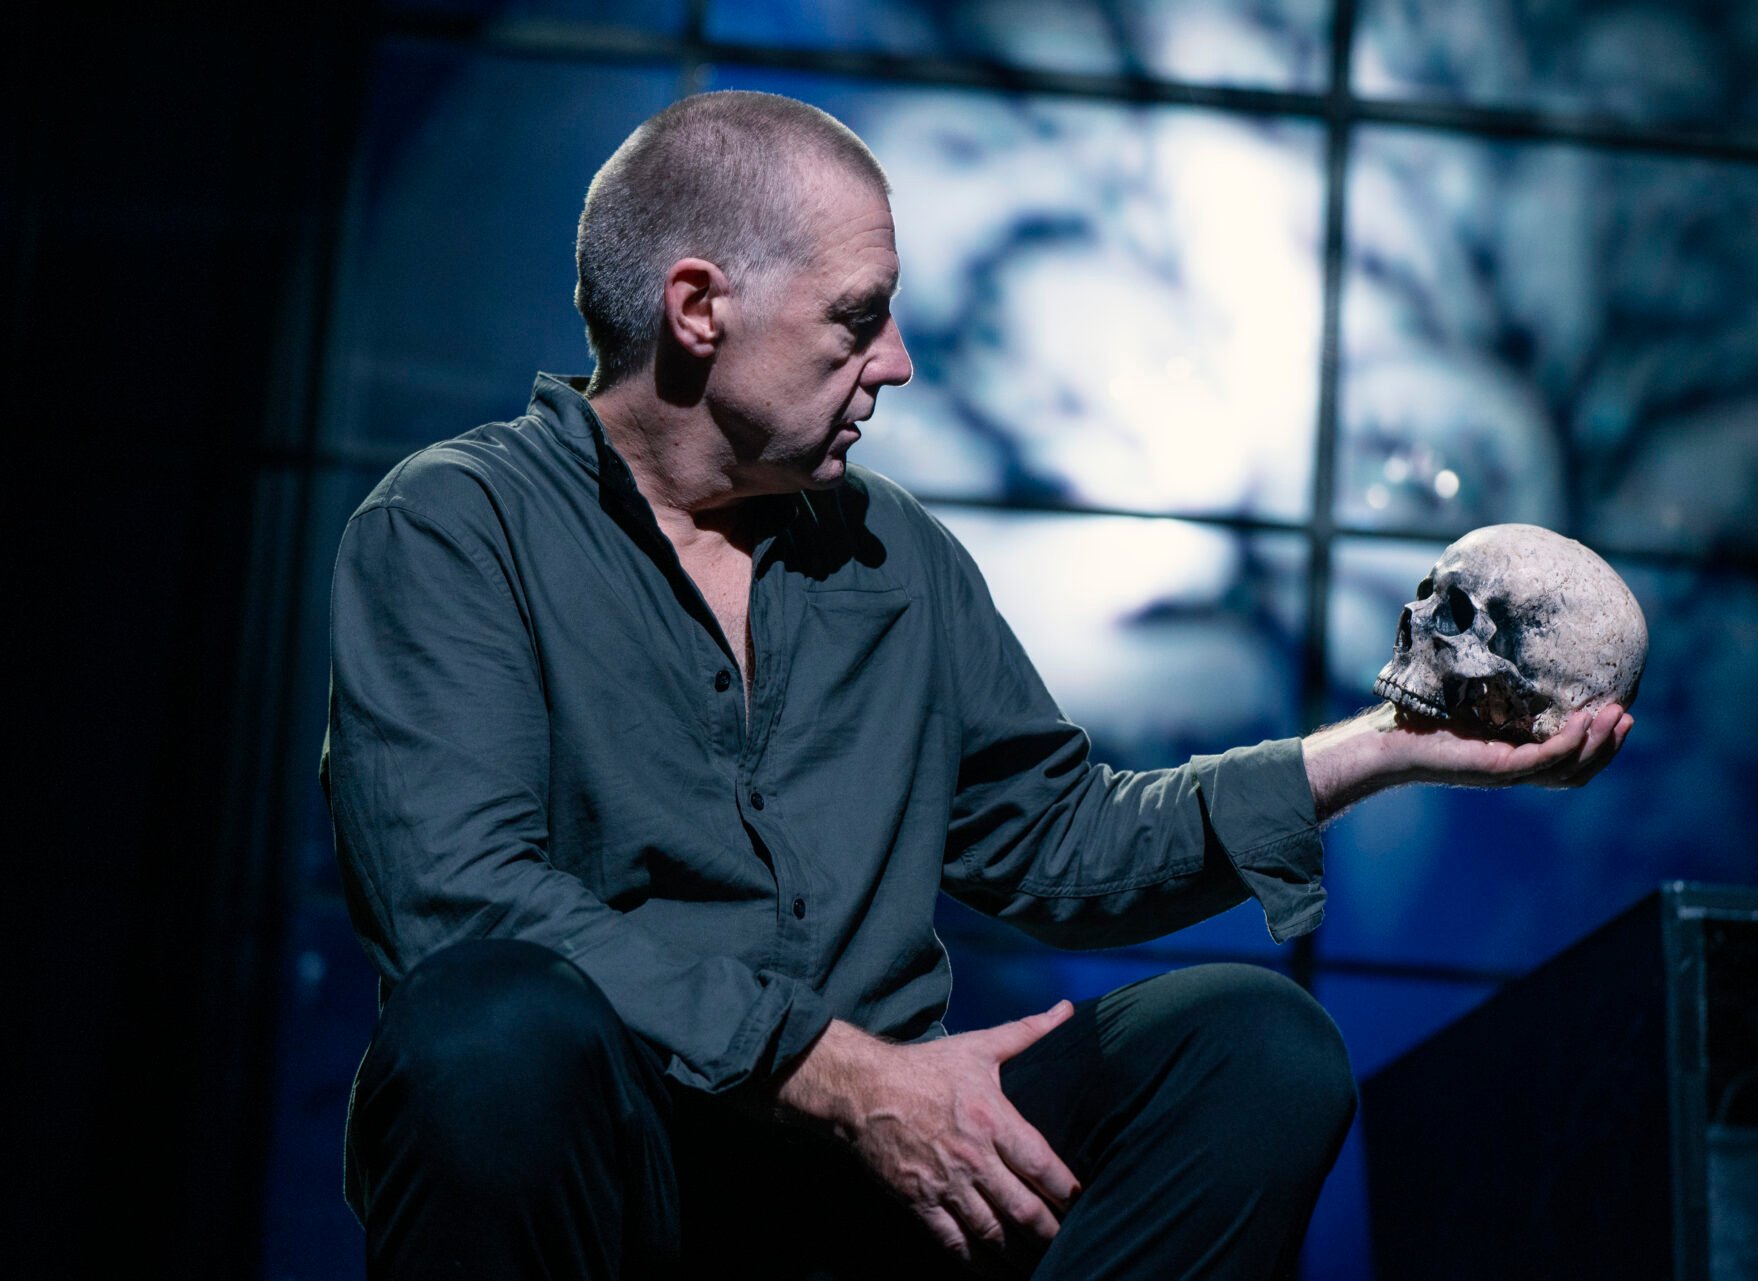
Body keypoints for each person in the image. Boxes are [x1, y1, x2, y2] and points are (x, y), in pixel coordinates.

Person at [321, 90, 1631, 1280]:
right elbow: (464, 898)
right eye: (857, 318)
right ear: (699, 308)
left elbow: (1057, 838)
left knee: (1255, 1045)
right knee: (487, 1024)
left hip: (869, 1203)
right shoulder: (454, 527)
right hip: (619, 1177)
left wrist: (1386, 746)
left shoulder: (894, 551)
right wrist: (838, 1073)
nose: (895, 361)